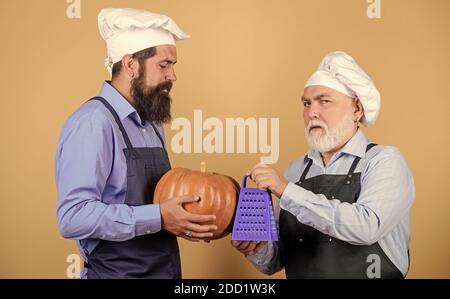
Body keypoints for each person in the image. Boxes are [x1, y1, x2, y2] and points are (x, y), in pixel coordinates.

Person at [55, 8, 217, 279]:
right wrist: (159, 217)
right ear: (130, 64)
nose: (173, 76)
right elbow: (73, 216)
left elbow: (158, 205)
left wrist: (184, 220)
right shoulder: (94, 123)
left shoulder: (152, 124)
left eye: (174, 66)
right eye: (164, 65)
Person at [231, 51, 415, 279]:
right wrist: (256, 248)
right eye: (306, 103)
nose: (312, 112)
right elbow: (276, 261)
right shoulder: (295, 170)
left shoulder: (384, 161)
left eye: (324, 101)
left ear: (357, 109)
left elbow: (366, 227)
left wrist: (287, 190)